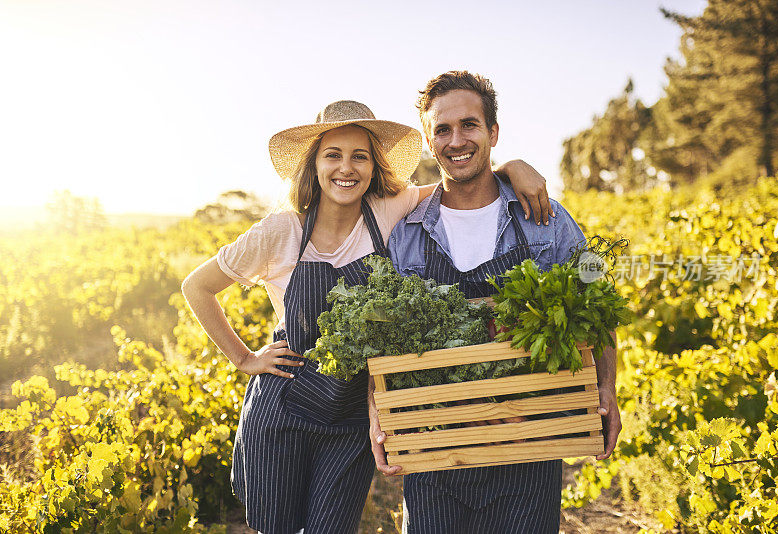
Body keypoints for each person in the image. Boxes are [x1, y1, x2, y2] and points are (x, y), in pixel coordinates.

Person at [181, 99, 555, 534]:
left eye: (360, 156)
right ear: (314, 164)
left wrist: (513, 165)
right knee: (275, 526)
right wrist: (244, 358)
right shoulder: (281, 230)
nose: (347, 168)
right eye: (333, 155)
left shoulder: (388, 210)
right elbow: (197, 287)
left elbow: (462, 180)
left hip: (351, 413)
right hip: (283, 408)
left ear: (374, 167)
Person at [368, 71, 622, 533]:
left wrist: (608, 385)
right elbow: (384, 345)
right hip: (436, 451)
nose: (456, 139)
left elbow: (596, 298)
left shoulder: (544, 218)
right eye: (441, 129)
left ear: (493, 133)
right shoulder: (405, 234)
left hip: (530, 442)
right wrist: (376, 412)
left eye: (469, 125)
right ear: (429, 141)